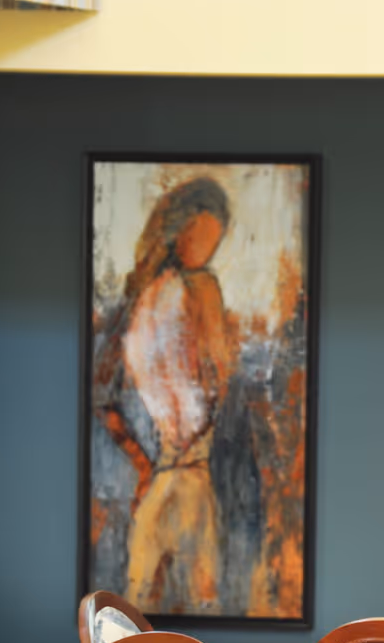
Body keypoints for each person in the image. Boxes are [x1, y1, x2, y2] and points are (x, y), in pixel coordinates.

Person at [91, 177, 238, 614]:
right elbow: (104, 398)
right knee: (142, 605)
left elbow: (215, 382)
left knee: (167, 602)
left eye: (215, 242)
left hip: (189, 472)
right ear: (177, 230)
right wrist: (141, 461)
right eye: (200, 237)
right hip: (170, 473)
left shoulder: (195, 291)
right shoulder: (152, 298)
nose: (206, 251)